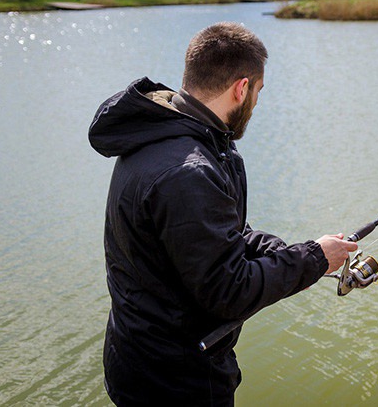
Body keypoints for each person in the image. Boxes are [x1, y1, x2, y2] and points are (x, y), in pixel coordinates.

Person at [89, 22, 357, 405]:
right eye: (259, 91)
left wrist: (291, 253)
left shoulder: (160, 135)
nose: (257, 103)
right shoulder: (188, 172)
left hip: (139, 361)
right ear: (241, 88)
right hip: (175, 382)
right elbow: (229, 291)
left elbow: (220, 236)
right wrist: (313, 259)